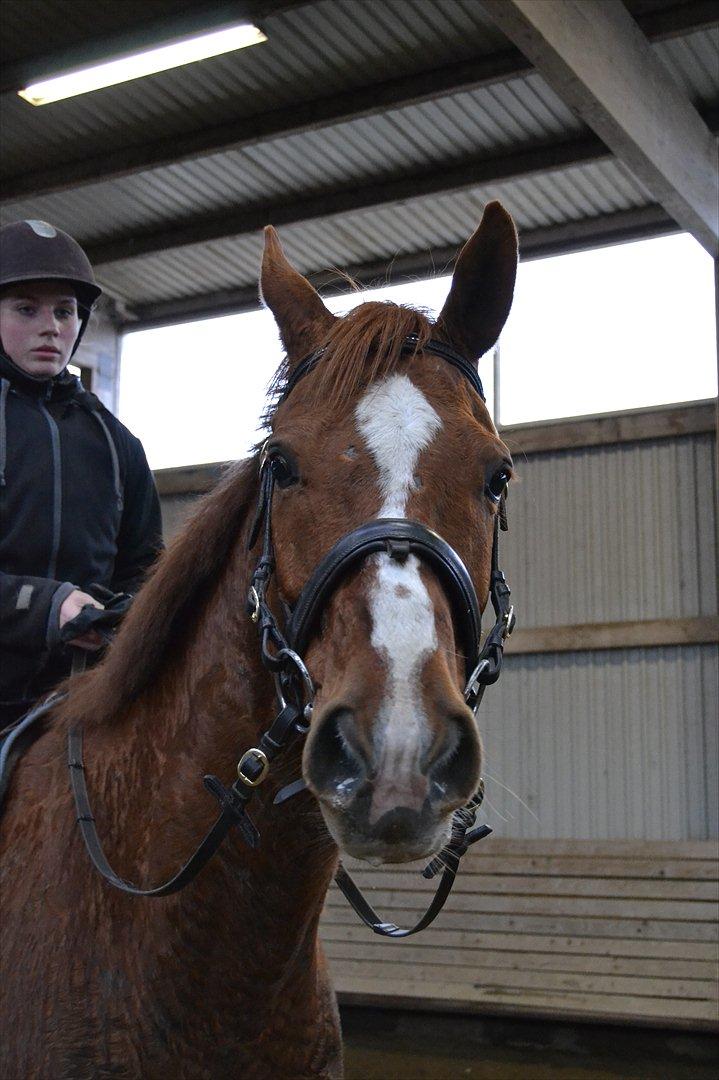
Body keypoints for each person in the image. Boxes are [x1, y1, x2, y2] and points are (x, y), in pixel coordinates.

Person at [0, 219, 162, 728]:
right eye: (27, 309)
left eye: (65, 312)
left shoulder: (118, 445)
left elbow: (144, 571)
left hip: (81, 704)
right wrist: (46, 606)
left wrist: (121, 615)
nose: (51, 327)